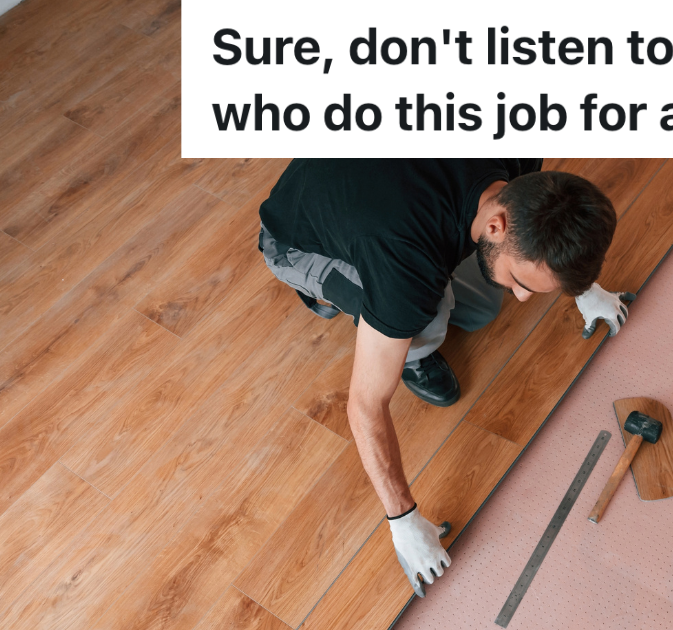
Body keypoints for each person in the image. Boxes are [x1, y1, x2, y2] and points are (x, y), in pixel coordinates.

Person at [257, 159, 634, 593]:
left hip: (376, 187)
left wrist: (584, 288)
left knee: (483, 307)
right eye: (522, 280)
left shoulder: (521, 157)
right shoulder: (404, 266)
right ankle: (377, 324)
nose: (525, 297)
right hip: (296, 236)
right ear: (495, 223)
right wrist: (403, 521)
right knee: (425, 313)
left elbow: (560, 220)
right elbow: (365, 404)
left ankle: (411, 311)